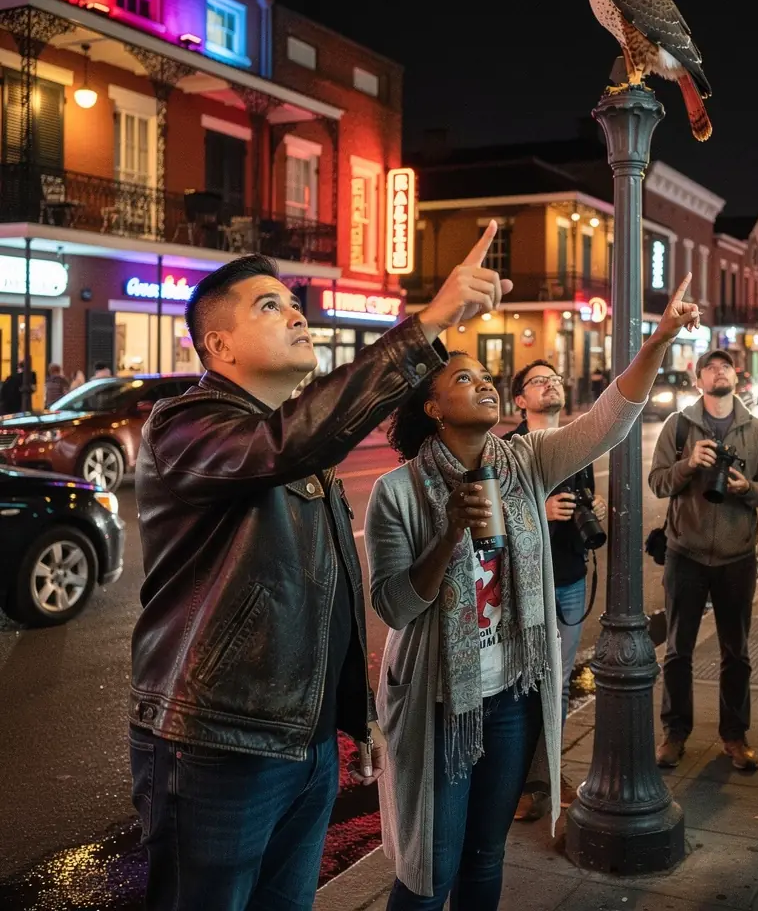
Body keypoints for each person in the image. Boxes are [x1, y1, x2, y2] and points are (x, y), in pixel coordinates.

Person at [128, 225, 512, 911]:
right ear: (219, 346)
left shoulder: (300, 447)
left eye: (293, 302)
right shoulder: (184, 426)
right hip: (218, 742)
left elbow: (327, 596)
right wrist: (426, 325)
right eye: (268, 306)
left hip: (302, 743)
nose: (296, 313)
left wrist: (352, 719)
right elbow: (285, 444)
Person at [365, 276, 700, 910]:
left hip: (511, 695)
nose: (484, 383)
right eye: (463, 378)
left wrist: (658, 340)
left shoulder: (525, 461)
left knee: (486, 856)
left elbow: (608, 421)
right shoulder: (398, 492)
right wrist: (450, 534)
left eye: (485, 376)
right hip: (441, 701)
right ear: (432, 408)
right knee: (430, 865)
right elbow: (395, 607)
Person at [649, 348, 758, 773]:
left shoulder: (755, 429)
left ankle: (735, 736)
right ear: (698, 380)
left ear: (736, 378)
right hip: (684, 552)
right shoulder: (678, 426)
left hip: (737, 556)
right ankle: (674, 733)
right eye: (711, 367)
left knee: (736, 652)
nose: (719, 372)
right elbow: (658, 483)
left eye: (726, 367)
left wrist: (746, 489)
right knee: (677, 651)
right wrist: (689, 464)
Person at [505, 358, 608, 821]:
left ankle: (549, 772)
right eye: (538, 381)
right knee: (518, 682)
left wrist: (592, 504)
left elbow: (583, 499)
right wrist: (539, 511)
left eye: (554, 379)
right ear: (520, 399)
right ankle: (517, 781)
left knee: (559, 683)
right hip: (519, 583)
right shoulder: (505, 450)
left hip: (568, 578)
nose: (550, 385)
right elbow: (489, 517)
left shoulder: (576, 445)